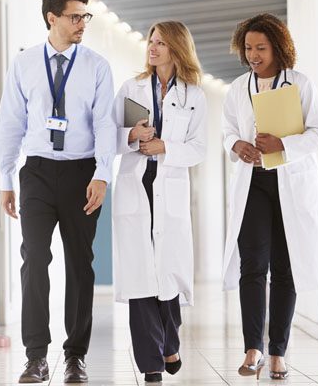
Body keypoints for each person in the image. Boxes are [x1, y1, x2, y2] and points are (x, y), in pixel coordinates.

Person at [0, 0, 116, 383]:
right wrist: (6, 177)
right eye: (75, 16)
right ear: (52, 18)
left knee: (81, 265)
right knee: (34, 261)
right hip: (37, 174)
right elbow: (10, 121)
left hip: (81, 173)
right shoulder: (26, 64)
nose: (82, 23)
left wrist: (102, 175)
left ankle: (75, 356)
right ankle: (35, 356)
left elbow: (104, 124)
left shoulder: (97, 66)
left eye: (86, 17)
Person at [221, 13, 318, 380]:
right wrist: (236, 144)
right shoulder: (239, 87)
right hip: (253, 183)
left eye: (260, 47)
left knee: (285, 268)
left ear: (278, 47)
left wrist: (283, 145)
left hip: (289, 182)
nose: (253, 55)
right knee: (252, 266)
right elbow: (227, 130)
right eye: (248, 48)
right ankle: (252, 348)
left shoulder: (300, 84)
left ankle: (278, 353)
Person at [111, 21, 206, 384]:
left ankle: (169, 342)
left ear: (177, 49)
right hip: (137, 185)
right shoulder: (131, 88)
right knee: (141, 278)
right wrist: (133, 136)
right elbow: (111, 138)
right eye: (151, 41)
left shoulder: (193, 94)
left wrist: (166, 146)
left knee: (166, 274)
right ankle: (151, 362)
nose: (153, 48)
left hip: (169, 187)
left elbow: (198, 149)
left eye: (161, 43)